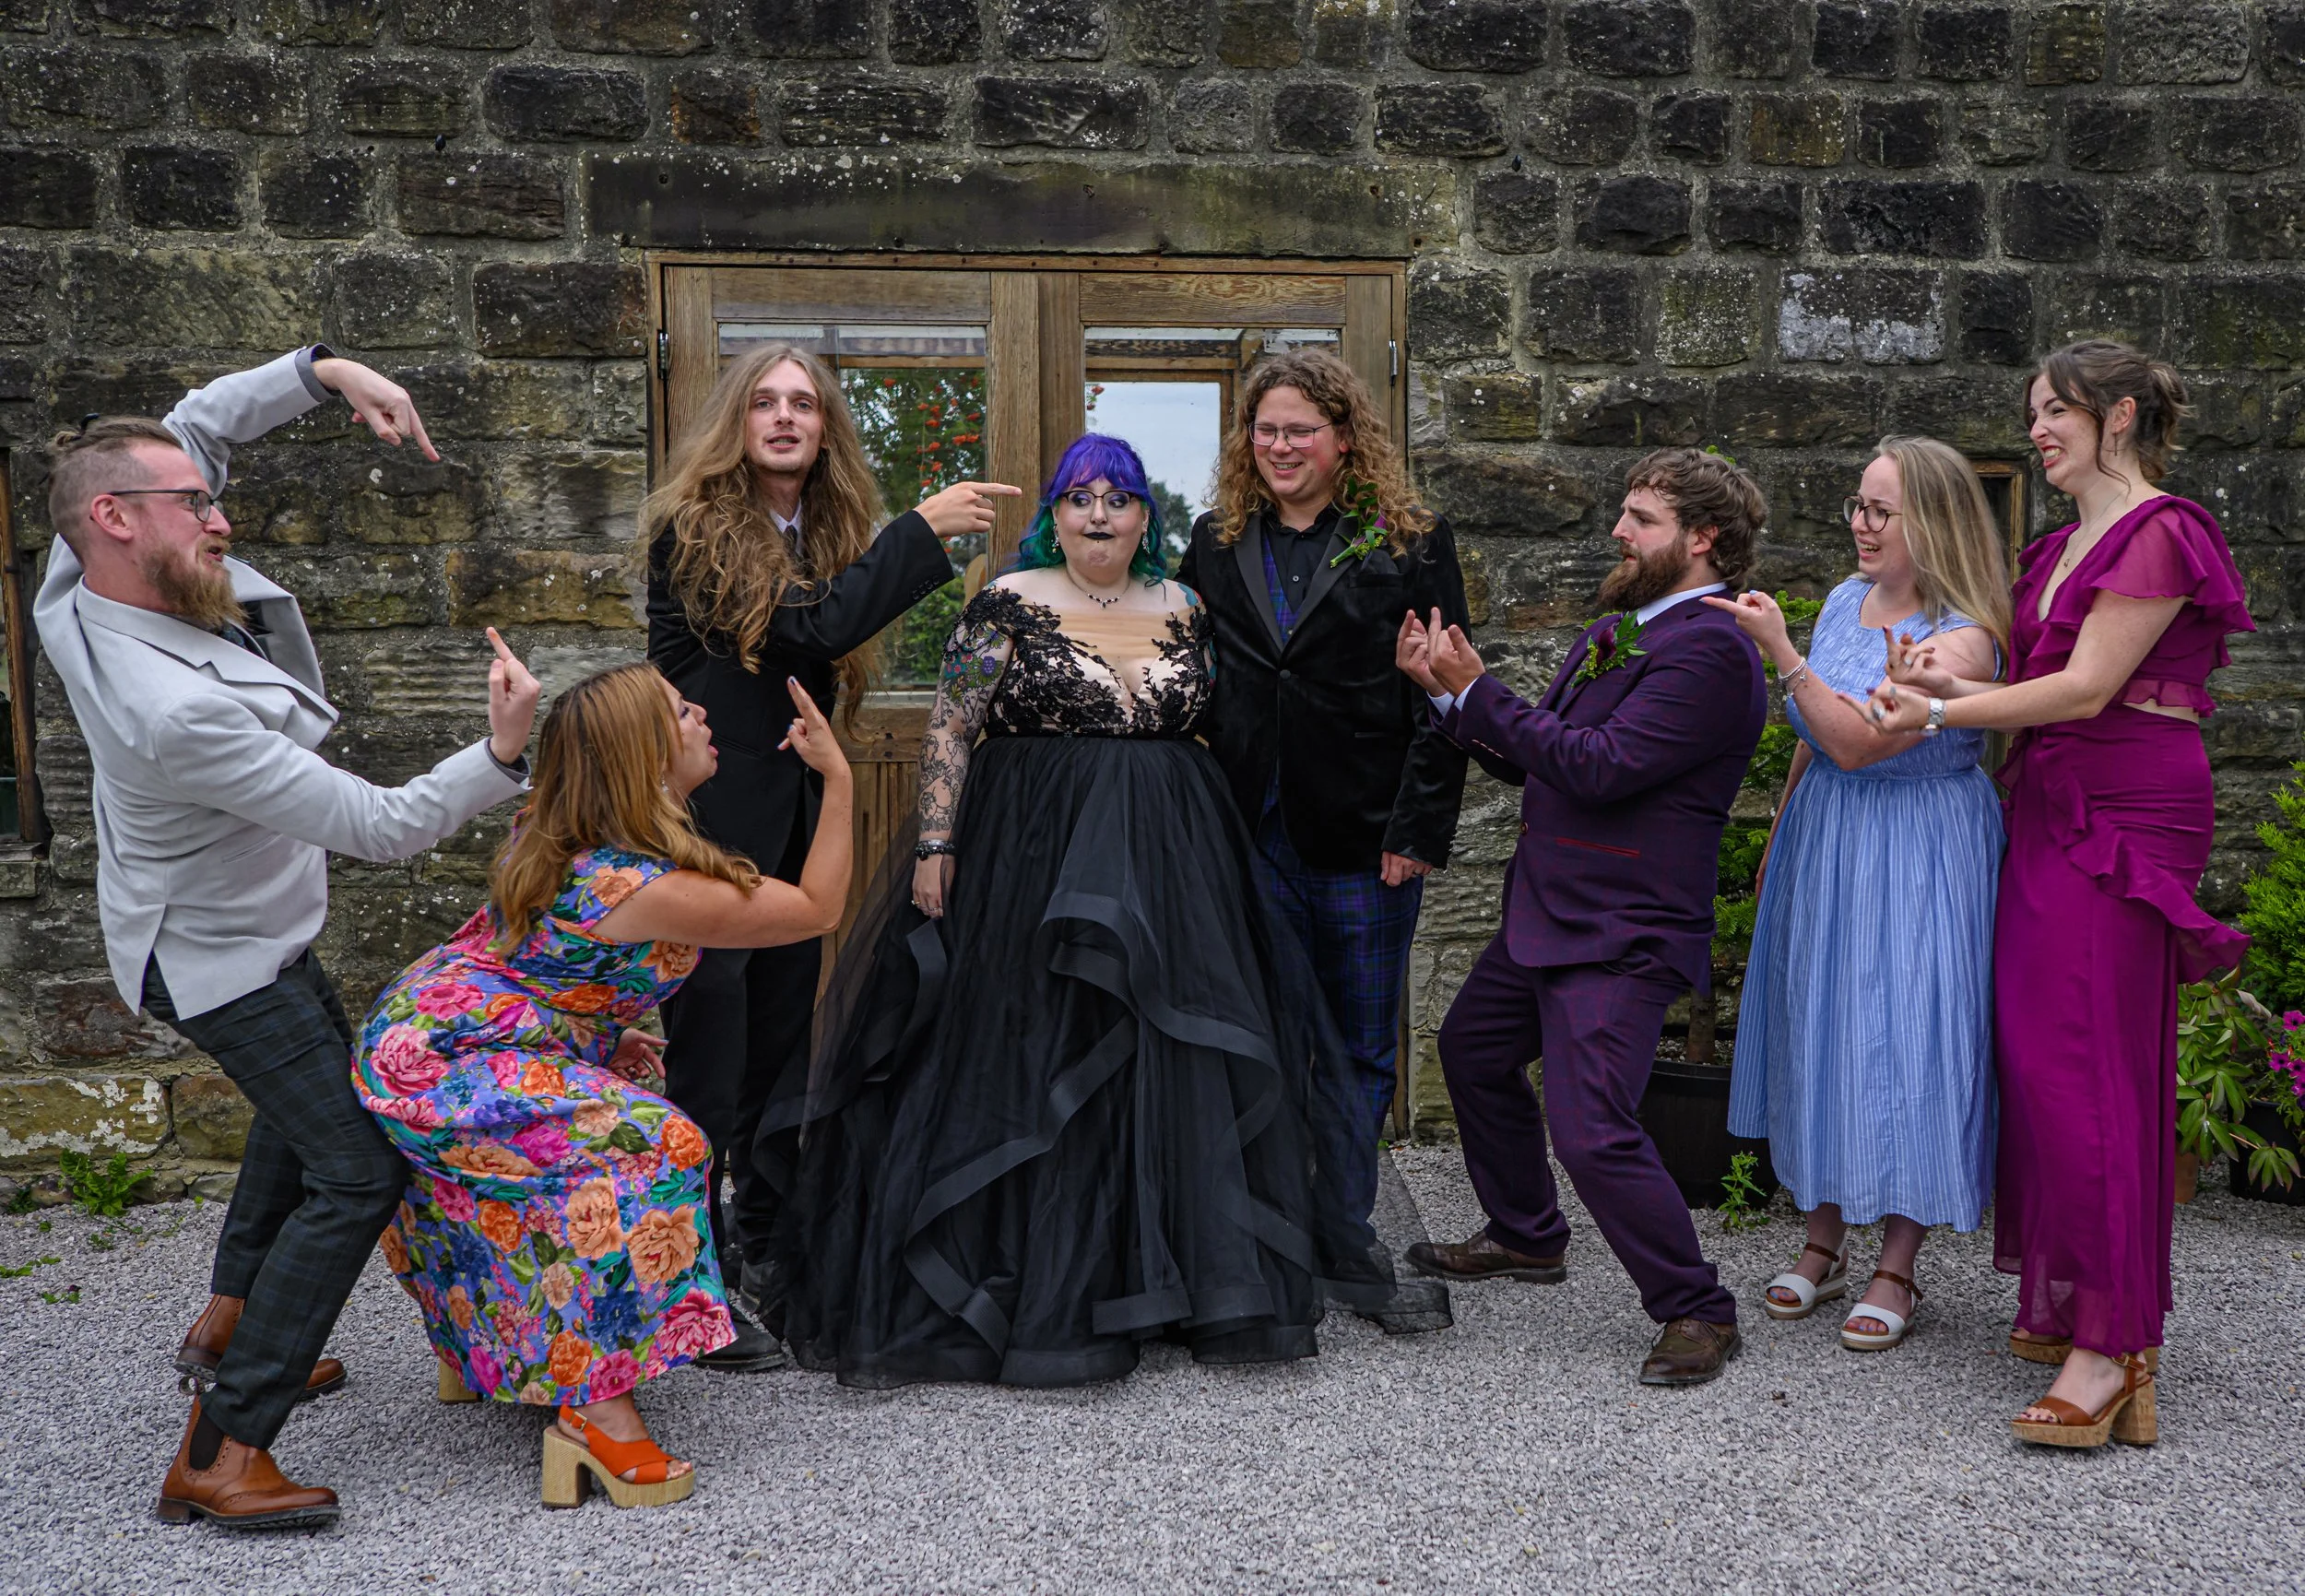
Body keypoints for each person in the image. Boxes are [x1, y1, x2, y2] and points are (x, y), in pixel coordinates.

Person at [35, 348, 540, 1529]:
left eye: (209, 498)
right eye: (196, 507)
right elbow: (382, 826)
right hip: (212, 959)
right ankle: (223, 1446)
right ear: (115, 519)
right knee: (357, 1166)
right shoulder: (178, 711)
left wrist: (325, 373)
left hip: (231, 924)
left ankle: (235, 1328)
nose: (221, 516)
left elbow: (197, 421)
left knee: (308, 1107)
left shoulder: (79, 577)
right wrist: (504, 752)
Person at [771, 434, 1394, 1388]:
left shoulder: (1185, 604)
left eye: (1119, 499)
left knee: (1167, 1054)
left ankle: (1169, 1282)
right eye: (1078, 499)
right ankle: (1038, 1282)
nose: (1098, 515)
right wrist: (934, 846)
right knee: (1042, 1045)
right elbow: (950, 727)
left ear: (1148, 518)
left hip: (1175, 855)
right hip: (1035, 848)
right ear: (1052, 516)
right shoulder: (1008, 601)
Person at [1867, 340, 2252, 1448]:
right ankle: (2079, 1302)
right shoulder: (2051, 548)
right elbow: (2030, 680)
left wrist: (1936, 717)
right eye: (2033, 411)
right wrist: (1942, 680)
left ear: (2118, 416)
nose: (2035, 430)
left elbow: (2085, 691)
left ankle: (2113, 1348)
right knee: (2040, 1059)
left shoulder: (2162, 531)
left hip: (2126, 809)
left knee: (2086, 1065)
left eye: (2055, 412)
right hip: (2042, 806)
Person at [353, 663, 854, 1507]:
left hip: (434, 1027)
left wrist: (604, 1029)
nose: (701, 714)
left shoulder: (561, 831)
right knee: (659, 1144)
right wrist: (836, 777)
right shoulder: (644, 886)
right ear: (641, 755)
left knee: (594, 1138)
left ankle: (478, 1351)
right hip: (446, 1057)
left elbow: (543, 961)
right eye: (679, 710)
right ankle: (597, 1410)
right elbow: (816, 908)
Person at [643, 341, 1016, 1369]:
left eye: (803, 403)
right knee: (706, 1056)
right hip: (707, 824)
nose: (783, 417)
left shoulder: (820, 528)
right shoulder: (698, 530)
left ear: (825, 430)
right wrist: (921, 530)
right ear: (736, 423)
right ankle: (685, 1284)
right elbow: (810, 626)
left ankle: (762, 1246)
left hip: (794, 819)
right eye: (763, 402)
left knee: (775, 1047)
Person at [1397, 446, 1767, 1387]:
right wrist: (1449, 698)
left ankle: (1696, 1307)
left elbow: (1601, 764)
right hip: (1550, 911)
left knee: (1593, 1126)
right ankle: (1527, 1234)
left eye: (1641, 518)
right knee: (1475, 1051)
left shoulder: (1715, 649)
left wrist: (1483, 690)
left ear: (1702, 538)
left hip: (1623, 926)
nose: (1618, 529)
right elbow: (1539, 762)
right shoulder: (1622, 631)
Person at [1176, 349, 1470, 1333]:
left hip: (1362, 841)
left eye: (1301, 429)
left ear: (1346, 438)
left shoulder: (1411, 542)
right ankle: (1265, 1246)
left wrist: (1415, 830)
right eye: (1266, 430)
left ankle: (1347, 1238)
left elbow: (1444, 698)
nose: (1281, 446)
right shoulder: (1214, 543)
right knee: (1259, 1044)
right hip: (1245, 833)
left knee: (1354, 1052)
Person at [1706, 438, 2008, 1352]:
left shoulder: (1966, 634)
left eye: (1880, 510)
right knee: (1825, 1026)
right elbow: (1812, 747)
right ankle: (1823, 1238)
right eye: (1856, 505)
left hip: (1917, 845)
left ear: (1934, 522)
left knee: (1909, 1035)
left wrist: (1781, 657)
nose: (1859, 524)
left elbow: (1859, 740)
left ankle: (1898, 1263)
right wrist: (1779, 828)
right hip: (1829, 838)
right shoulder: (1846, 599)